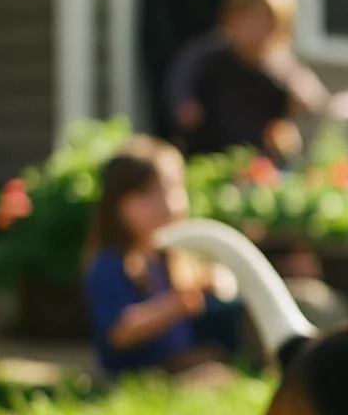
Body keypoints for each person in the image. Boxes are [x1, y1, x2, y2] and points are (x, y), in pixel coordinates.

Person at [165, 0, 348, 161]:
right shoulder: (208, 57)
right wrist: (185, 104)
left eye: (264, 21)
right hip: (209, 153)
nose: (255, 29)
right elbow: (181, 83)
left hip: (260, 163)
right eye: (248, 18)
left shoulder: (279, 66)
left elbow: (312, 101)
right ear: (231, 18)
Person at [83, 138, 242, 380]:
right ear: (116, 205)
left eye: (172, 189)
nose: (166, 204)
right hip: (137, 374)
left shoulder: (174, 256)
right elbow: (120, 331)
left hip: (175, 362)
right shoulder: (111, 262)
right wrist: (177, 303)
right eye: (148, 195)